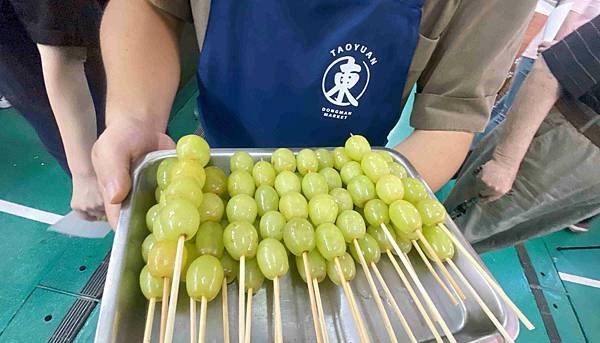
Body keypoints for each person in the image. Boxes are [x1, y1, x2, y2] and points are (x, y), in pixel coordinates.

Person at [92, 0, 538, 227]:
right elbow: (151, 6)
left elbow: (451, 116)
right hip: (211, 162)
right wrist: (135, 117)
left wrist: (353, 217)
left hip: (345, 188)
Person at [445, 11, 600, 252]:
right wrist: (505, 162)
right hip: (560, 148)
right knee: (452, 233)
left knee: (478, 245)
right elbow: (552, 70)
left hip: (588, 184)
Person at [0, 0, 106, 220]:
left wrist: (85, 172)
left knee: (133, 187)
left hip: (85, 100)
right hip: (37, 99)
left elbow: (65, 56)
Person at [473, 0, 598, 147]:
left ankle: (467, 155)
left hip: (545, 57)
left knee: (501, 111)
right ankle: (469, 156)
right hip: (545, 60)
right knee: (507, 117)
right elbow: (569, 13)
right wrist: (557, 47)